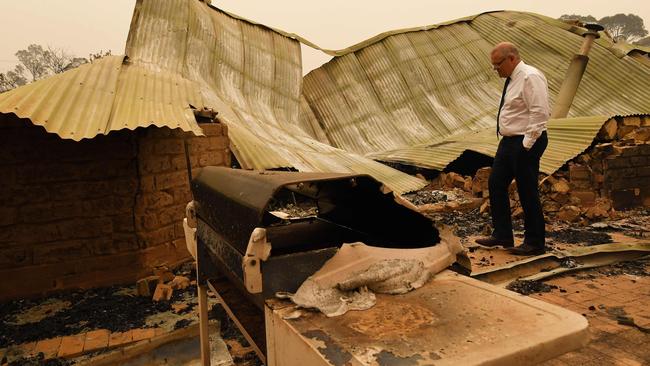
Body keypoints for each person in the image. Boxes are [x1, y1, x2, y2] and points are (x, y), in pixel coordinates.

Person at [475, 42, 549, 256]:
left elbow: (540, 112)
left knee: (527, 191)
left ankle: (534, 242)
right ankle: (503, 234)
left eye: (498, 64)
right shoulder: (512, 78)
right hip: (509, 141)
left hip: (526, 141)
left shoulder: (529, 76)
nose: (496, 69)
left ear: (512, 59)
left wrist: (526, 144)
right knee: (496, 183)